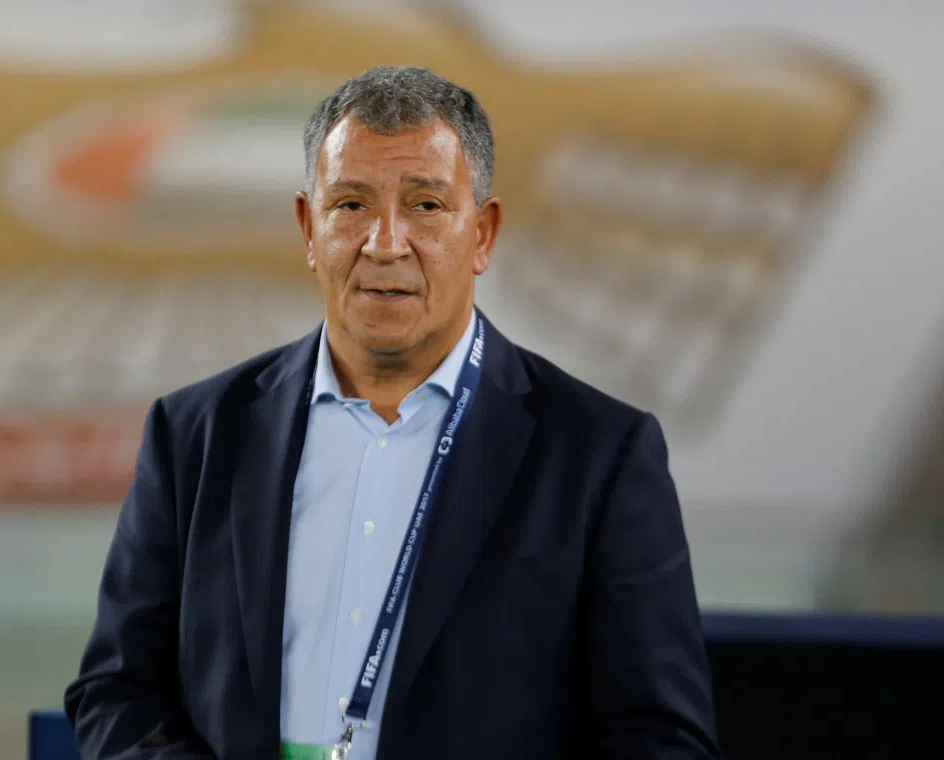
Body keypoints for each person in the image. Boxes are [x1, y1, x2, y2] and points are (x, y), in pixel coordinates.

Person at [65, 65, 721, 760]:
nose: (384, 243)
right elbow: (117, 690)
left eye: (425, 205)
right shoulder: (195, 435)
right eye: (350, 204)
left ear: (484, 234)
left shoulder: (599, 456)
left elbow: (660, 737)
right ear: (308, 228)